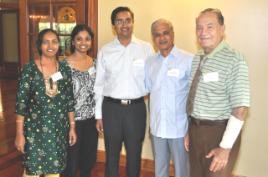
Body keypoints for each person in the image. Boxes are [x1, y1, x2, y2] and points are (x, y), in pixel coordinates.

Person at [186, 8, 250, 177]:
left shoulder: (235, 59)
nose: (203, 32)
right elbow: (195, 98)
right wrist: (189, 130)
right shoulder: (197, 57)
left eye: (209, 27)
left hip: (219, 133)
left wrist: (225, 147)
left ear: (222, 29)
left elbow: (240, 109)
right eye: (199, 28)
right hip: (195, 131)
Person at [94, 6, 153, 177]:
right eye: (119, 21)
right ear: (114, 25)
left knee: (134, 154)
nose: (124, 24)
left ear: (133, 22)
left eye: (127, 20)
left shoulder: (146, 48)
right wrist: (98, 115)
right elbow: (99, 85)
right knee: (111, 155)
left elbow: (153, 80)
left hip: (136, 109)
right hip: (111, 109)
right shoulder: (105, 50)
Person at [15, 28, 77, 177]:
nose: (50, 46)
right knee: (32, 170)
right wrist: (19, 133)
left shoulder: (64, 69)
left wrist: (72, 127)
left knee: (54, 171)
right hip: (34, 131)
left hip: (58, 130)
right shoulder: (29, 69)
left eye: (54, 41)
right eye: (45, 42)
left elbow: (69, 100)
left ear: (59, 45)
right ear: (39, 45)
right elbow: (21, 104)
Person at [145, 19, 192, 177]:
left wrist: (190, 129)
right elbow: (149, 92)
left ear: (172, 34)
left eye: (165, 33)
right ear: (153, 38)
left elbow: (194, 96)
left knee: (182, 171)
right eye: (157, 35)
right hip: (157, 127)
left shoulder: (188, 60)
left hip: (179, 128)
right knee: (160, 169)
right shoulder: (150, 62)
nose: (162, 38)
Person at [63, 24, 98, 177]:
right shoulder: (63, 66)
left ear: (91, 42)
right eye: (79, 39)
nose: (83, 42)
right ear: (73, 42)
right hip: (70, 121)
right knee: (70, 163)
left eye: (87, 39)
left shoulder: (96, 64)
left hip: (91, 120)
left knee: (88, 161)